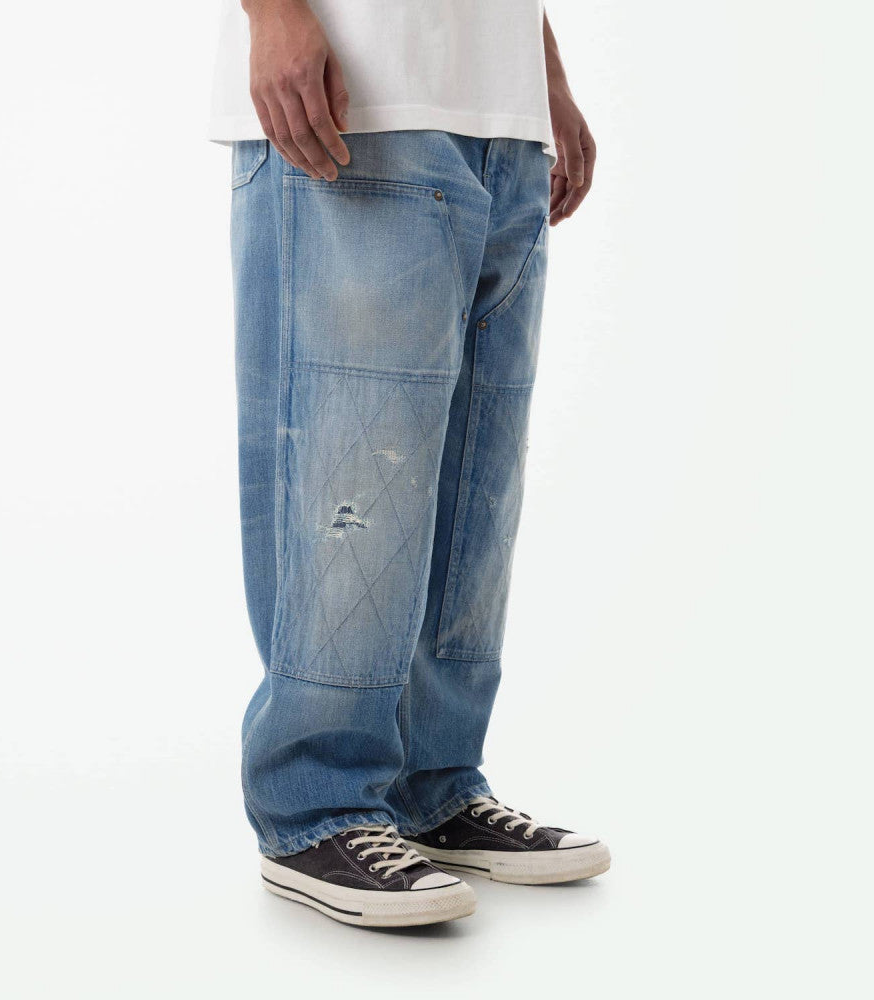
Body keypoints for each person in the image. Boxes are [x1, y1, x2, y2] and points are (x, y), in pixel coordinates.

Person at [209, 0, 608, 927]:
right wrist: (274, 12)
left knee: (476, 488)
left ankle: (433, 785)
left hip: (500, 122)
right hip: (353, 103)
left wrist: (541, 70)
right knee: (351, 480)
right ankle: (314, 809)